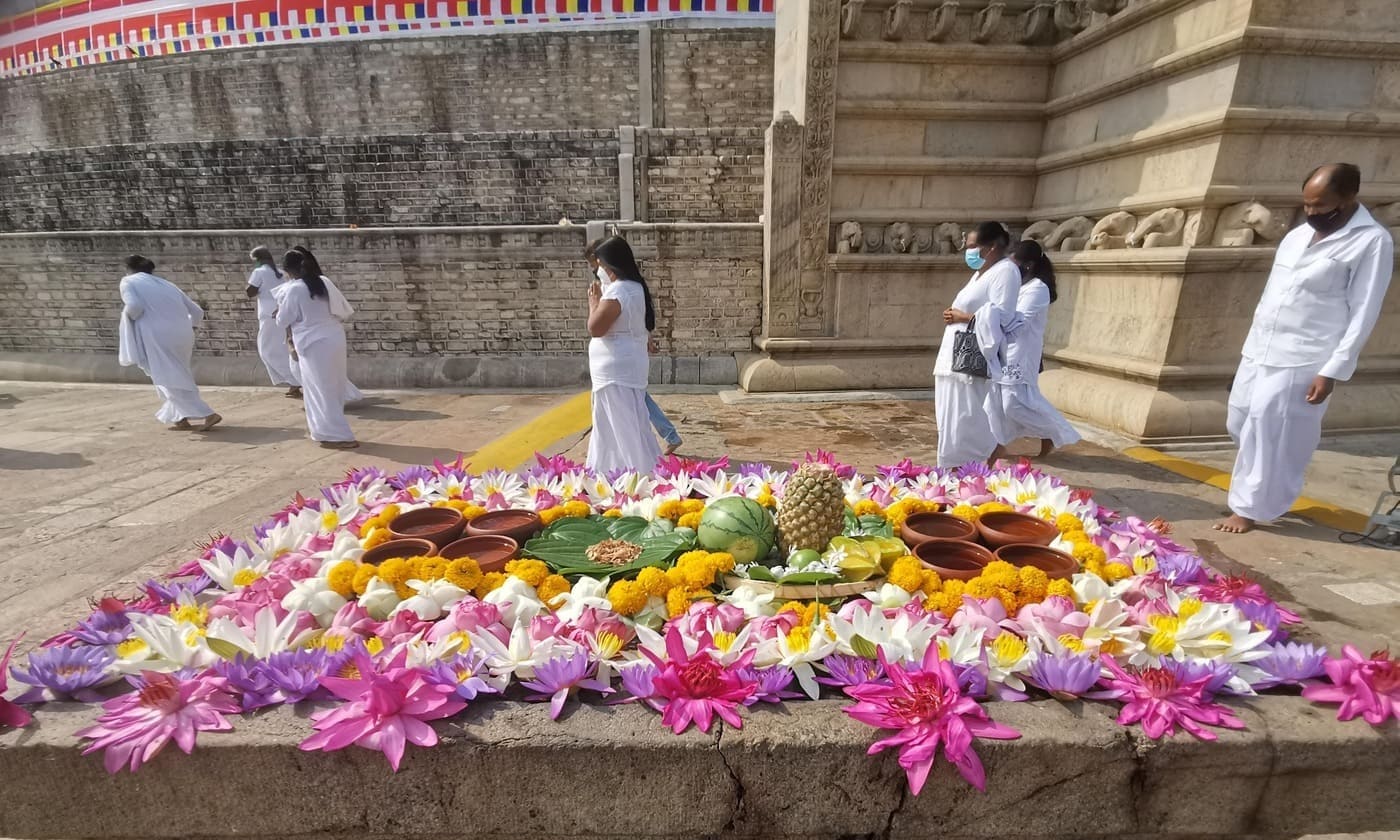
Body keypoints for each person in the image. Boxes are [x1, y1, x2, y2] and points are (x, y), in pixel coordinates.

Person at [1214, 164, 1394, 533]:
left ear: (1347, 198)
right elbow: (1272, 295)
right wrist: (1248, 351)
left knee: (1268, 427)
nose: (1311, 212)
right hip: (1261, 348)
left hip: (1306, 355)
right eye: (1307, 204)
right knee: (1240, 420)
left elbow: (1365, 310)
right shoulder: (1297, 236)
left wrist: (1332, 370)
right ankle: (1269, 491)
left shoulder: (1372, 242)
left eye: (1320, 205)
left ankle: (1247, 508)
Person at [975, 240, 1080, 461]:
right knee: (995, 401)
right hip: (1002, 351)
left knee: (1013, 404)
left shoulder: (1038, 289)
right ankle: (996, 446)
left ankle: (1051, 432)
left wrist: (988, 319)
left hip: (1021, 355)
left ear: (1028, 266)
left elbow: (1016, 324)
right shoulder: (1017, 287)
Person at [584, 239, 682, 455]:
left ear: (611, 264)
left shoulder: (618, 291)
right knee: (625, 428)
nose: (598, 271)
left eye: (600, 265)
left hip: (615, 373)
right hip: (622, 369)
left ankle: (635, 468)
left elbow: (595, 328)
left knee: (622, 434)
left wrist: (594, 304)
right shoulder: (633, 287)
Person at [935, 222, 1020, 467]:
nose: (968, 251)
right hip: (953, 357)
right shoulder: (980, 273)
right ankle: (952, 469)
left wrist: (963, 317)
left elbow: (1003, 318)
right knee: (951, 420)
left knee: (968, 419)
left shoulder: (1006, 271)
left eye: (972, 246)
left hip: (972, 359)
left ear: (991, 247)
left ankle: (973, 469)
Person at [117, 255, 222, 431]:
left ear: (128, 269)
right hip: (183, 334)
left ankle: (207, 413)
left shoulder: (128, 281)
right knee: (176, 373)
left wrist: (126, 319)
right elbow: (197, 311)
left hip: (157, 335)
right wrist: (191, 327)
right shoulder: (167, 284)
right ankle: (179, 417)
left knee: (166, 375)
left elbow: (134, 307)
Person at [277, 249, 358, 450]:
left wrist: (279, 311)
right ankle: (327, 431)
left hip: (313, 343)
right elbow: (342, 310)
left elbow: (282, 319)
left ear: (287, 271)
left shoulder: (294, 289)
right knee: (334, 386)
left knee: (320, 389)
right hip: (334, 337)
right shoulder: (324, 281)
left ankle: (339, 435)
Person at [287, 245, 363, 405]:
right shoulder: (321, 282)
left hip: (310, 338)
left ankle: (326, 404)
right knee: (326, 374)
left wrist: (290, 339)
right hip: (331, 335)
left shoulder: (296, 287)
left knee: (318, 376)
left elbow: (286, 318)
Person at [245, 246, 302, 398]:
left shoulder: (259, 272)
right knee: (283, 350)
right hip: (282, 313)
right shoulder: (282, 273)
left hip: (268, 315)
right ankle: (294, 383)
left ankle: (295, 380)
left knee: (266, 351)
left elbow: (250, 292)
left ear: (258, 259)